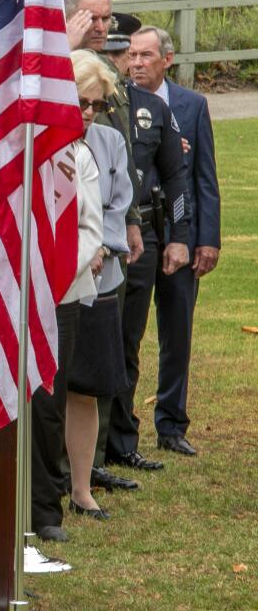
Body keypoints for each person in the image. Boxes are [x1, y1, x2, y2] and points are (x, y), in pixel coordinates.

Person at [64, 0, 155, 490]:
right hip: (63, 261)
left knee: (101, 364)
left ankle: (92, 464)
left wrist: (126, 228)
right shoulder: (56, 66)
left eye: (106, 18)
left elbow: (121, 167)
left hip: (105, 252)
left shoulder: (110, 85)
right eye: (90, 19)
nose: (101, 27)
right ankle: (61, 471)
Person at [126, 25, 220, 456]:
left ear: (167, 59)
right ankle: (119, 425)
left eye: (146, 56)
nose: (137, 63)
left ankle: (171, 423)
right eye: (132, 55)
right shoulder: (120, 103)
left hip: (183, 232)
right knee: (128, 331)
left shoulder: (192, 105)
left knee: (177, 331)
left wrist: (207, 239)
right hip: (138, 232)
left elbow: (204, 178)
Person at [104, 31, 193, 471]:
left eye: (137, 53)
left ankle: (121, 441)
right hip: (95, 229)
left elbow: (176, 178)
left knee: (126, 341)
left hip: (141, 233)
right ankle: (86, 447)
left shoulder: (153, 108)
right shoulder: (89, 103)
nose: (130, 62)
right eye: (122, 54)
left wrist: (180, 234)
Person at [64, 51, 133, 522]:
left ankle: (82, 487)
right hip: (50, 281)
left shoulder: (108, 141)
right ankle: (41, 479)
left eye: (96, 104)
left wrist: (102, 246)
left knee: (85, 387)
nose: (89, 113)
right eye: (80, 103)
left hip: (98, 277)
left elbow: (118, 204)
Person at [33, 135, 103, 543]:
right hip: (3, 293)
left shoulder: (77, 156)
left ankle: (42, 509)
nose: (88, 111)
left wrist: (50, 281)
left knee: (47, 404)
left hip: (61, 293)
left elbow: (89, 227)